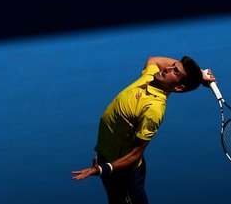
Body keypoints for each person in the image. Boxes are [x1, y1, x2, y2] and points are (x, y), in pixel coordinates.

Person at [71, 56, 216, 204]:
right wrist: (198, 73)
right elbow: (153, 60)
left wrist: (103, 169)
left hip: (121, 171)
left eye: (175, 71)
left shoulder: (153, 110)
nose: (167, 68)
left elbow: (136, 154)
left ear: (178, 88)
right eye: (173, 65)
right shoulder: (151, 78)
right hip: (108, 157)